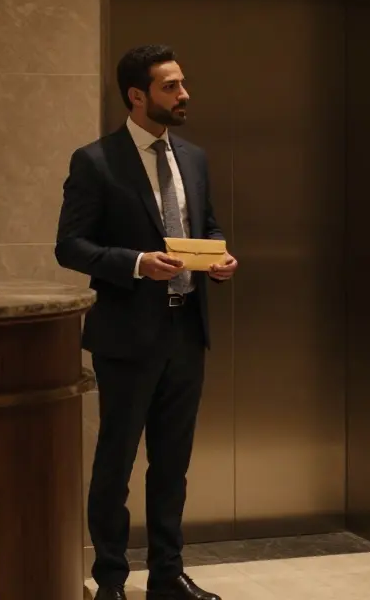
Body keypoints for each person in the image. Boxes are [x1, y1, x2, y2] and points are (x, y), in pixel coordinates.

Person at [56, 45, 237, 600]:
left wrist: (219, 262)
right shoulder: (96, 161)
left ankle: (167, 575)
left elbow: (204, 227)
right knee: (116, 459)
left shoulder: (195, 158)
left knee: (172, 463)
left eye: (182, 84)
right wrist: (135, 264)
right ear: (137, 96)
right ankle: (109, 579)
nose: (184, 96)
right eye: (170, 87)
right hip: (127, 336)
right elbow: (71, 246)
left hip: (186, 332)